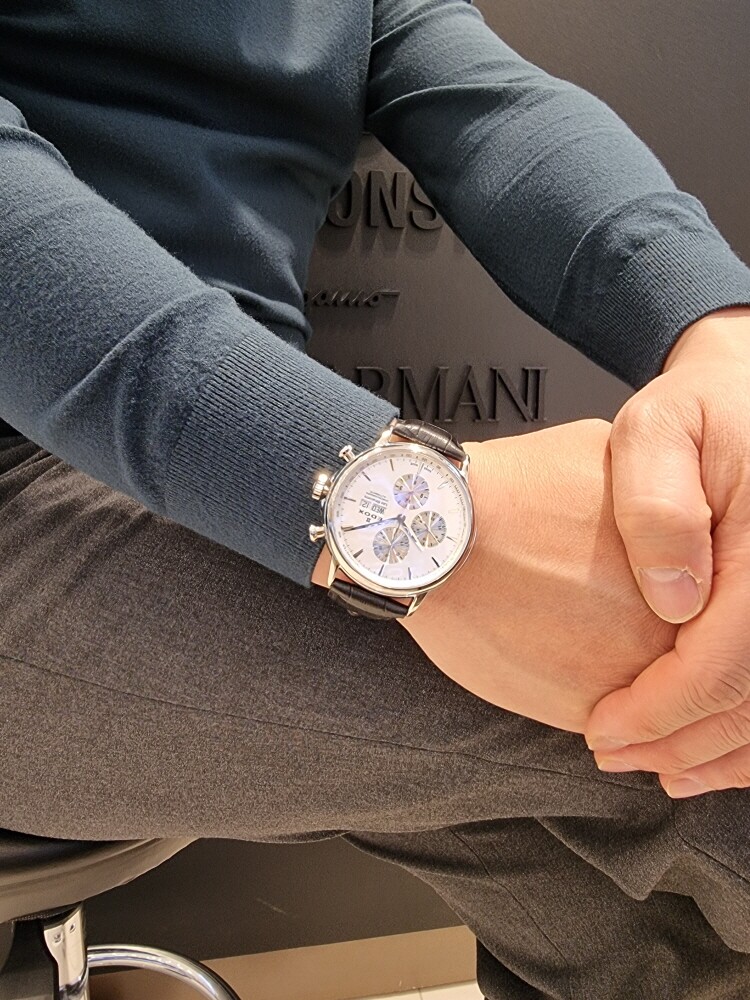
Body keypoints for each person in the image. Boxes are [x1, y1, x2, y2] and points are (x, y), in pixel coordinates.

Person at [2, 1, 750, 997]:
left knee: (629, 910)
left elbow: (496, 113)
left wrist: (719, 333)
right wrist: (428, 524)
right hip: (26, 502)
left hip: (203, 494)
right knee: (683, 694)